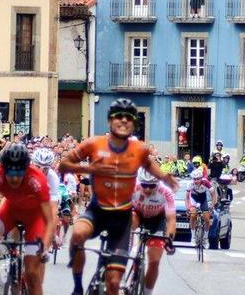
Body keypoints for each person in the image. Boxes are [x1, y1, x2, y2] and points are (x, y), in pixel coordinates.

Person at [59, 98, 177, 295]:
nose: (123, 121)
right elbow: (63, 165)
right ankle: (78, 286)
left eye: (129, 118)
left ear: (134, 124)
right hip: (97, 210)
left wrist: (164, 177)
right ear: (109, 121)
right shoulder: (93, 143)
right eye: (118, 117)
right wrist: (89, 168)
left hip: (121, 218)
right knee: (78, 234)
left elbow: (148, 165)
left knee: (114, 283)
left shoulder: (139, 149)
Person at [0, 144, 54, 295]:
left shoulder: (38, 180)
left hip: (35, 217)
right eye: (10, 173)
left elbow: (50, 221)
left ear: (26, 169)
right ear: (3, 169)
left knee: (32, 273)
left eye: (19, 173)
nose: (14, 178)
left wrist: (45, 246)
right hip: (9, 211)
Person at [131, 170, 176, 295]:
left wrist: (169, 239)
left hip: (157, 221)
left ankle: (147, 292)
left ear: (158, 183)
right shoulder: (132, 187)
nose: (147, 189)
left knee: (154, 261)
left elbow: (171, 219)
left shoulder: (166, 192)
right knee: (129, 220)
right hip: (137, 214)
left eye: (152, 186)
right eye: (144, 185)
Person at [186, 168, 216, 246]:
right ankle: (193, 237)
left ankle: (205, 238)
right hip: (194, 198)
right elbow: (186, 198)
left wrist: (212, 206)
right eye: (194, 179)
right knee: (193, 215)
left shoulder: (206, 183)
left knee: (206, 218)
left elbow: (214, 196)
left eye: (198, 179)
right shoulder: (190, 184)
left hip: (203, 198)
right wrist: (188, 208)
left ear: (201, 178)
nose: (196, 181)